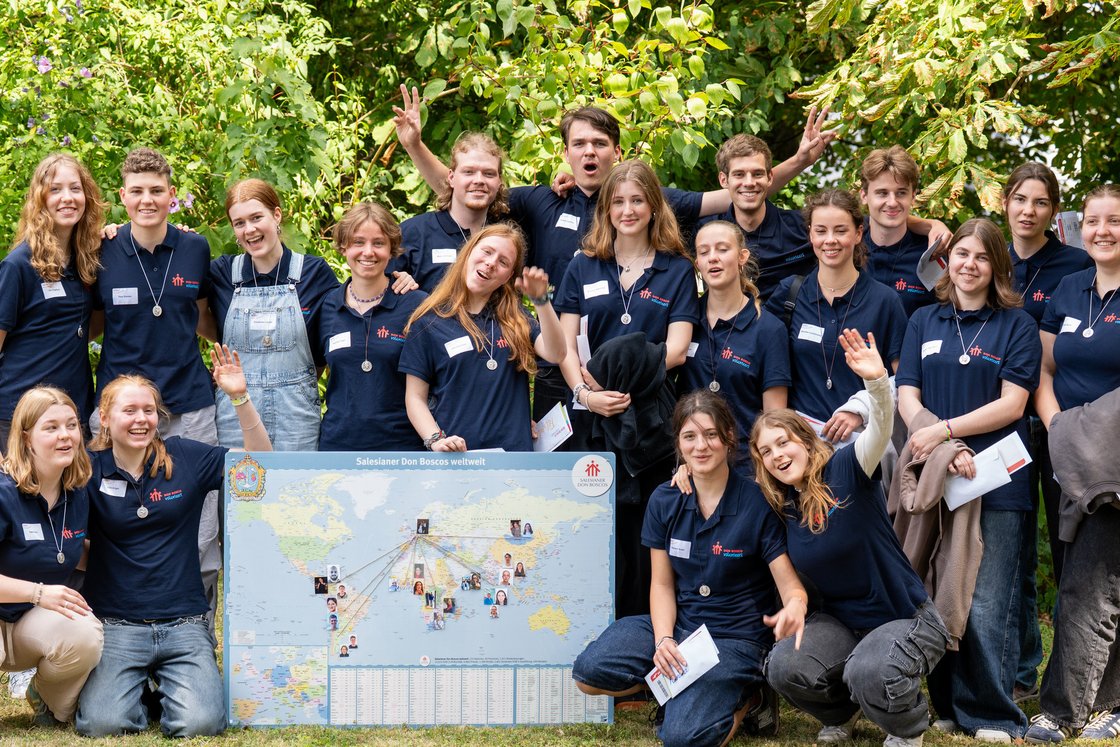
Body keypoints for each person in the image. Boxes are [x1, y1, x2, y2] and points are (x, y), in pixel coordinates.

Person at [574, 390, 807, 747]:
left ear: (729, 437)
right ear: (679, 444)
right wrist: (664, 640)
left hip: (736, 639)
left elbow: (790, 586)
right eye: (690, 436)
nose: (701, 446)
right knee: (588, 672)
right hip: (682, 626)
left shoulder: (757, 502)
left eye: (711, 434)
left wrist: (795, 605)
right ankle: (679, 690)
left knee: (683, 739)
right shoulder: (664, 500)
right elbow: (662, 585)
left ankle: (750, 696)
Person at [756, 328, 950, 747]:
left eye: (783, 442)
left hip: (904, 617)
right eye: (766, 452)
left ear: (806, 441)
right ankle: (843, 713)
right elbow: (724, 490)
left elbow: (880, 428)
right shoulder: (782, 506)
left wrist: (877, 382)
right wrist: (687, 472)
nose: (777, 455)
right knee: (783, 665)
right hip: (842, 626)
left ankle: (907, 726)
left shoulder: (848, 469)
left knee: (869, 670)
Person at [75, 347, 273, 738]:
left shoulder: (184, 456)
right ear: (105, 418)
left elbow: (260, 461)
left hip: (183, 623)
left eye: (148, 410)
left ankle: (160, 688)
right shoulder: (88, 469)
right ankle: (144, 693)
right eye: (129, 410)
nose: (141, 419)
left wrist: (239, 397)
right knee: (102, 724)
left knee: (201, 723)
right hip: (117, 626)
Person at [895, 218, 1041, 741]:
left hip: (996, 479)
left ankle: (993, 713)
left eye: (982, 257)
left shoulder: (1017, 325)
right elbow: (906, 395)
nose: (969, 265)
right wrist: (942, 446)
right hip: (940, 477)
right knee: (938, 589)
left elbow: (1013, 404)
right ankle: (949, 704)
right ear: (947, 260)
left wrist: (947, 433)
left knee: (988, 599)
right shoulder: (923, 319)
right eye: (961, 254)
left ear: (997, 265)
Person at [554, 159, 700, 618]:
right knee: (595, 528)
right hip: (592, 417)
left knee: (645, 534)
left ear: (654, 206)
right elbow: (564, 346)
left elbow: (677, 350)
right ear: (606, 209)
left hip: (651, 420)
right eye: (618, 201)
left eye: (637, 200)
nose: (628, 210)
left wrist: (625, 384)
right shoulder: (582, 265)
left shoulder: (677, 269)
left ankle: (645, 633)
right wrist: (586, 395)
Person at [91, 147, 224, 627]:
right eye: (137, 192)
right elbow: (90, 323)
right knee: (112, 519)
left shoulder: (195, 248)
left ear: (172, 195)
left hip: (189, 404)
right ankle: (116, 629)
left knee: (202, 527)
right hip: (120, 409)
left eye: (156, 191)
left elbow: (205, 318)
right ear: (122, 197)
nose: (147, 200)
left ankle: (196, 632)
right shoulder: (101, 249)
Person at [1024, 185, 1120, 743]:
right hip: (1068, 454)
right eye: (1093, 221)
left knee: (1091, 581)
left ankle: (1062, 711)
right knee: (1086, 577)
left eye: (1115, 220)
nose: (1103, 231)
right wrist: (1059, 430)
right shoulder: (1069, 288)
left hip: (1115, 458)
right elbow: (1044, 369)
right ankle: (1109, 701)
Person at [1001, 162, 1093, 702]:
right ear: (1005, 204)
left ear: (1054, 211)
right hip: (1003, 421)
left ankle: (1073, 669)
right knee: (1013, 550)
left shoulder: (1076, 264)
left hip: (1061, 421)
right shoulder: (992, 259)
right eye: (1020, 199)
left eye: (1040, 202)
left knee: (1068, 547)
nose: (1028, 211)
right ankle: (1021, 672)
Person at [400, 223, 565, 451]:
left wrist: (542, 301)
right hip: (458, 457)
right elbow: (415, 398)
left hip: (514, 458)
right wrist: (436, 440)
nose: (491, 263)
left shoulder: (517, 318)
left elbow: (556, 354)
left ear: (508, 276)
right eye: (487, 251)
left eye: (503, 262)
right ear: (469, 252)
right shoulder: (428, 322)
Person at [765, 189, 907, 445]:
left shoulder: (885, 301)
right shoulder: (790, 293)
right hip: (802, 445)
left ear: (858, 233)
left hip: (862, 444)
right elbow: (765, 361)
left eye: (840, 231)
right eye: (821, 231)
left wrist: (859, 410)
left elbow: (905, 382)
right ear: (810, 234)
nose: (830, 240)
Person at [208, 178, 340, 450]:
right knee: (240, 478)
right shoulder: (222, 274)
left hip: (297, 417)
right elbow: (187, 309)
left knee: (297, 479)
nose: (250, 230)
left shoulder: (314, 274)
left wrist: (400, 279)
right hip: (236, 413)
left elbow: (333, 334)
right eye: (239, 223)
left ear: (277, 215)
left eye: (257, 217)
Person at [0, 387, 103, 725]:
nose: (65, 436)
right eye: (51, 427)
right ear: (26, 438)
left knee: (84, 633)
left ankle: (46, 699)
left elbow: (69, 551)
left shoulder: (77, 494)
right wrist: (38, 593)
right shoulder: (4, 492)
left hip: (29, 624)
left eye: (71, 425)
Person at [0, 154, 104, 446]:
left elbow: (89, 326)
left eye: (75, 188)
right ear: (40, 199)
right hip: (20, 416)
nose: (67, 198)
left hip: (72, 413)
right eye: (55, 189)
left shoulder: (86, 261)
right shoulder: (19, 265)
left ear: (87, 197)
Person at [681, 220, 789, 471]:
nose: (713, 258)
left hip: (746, 468)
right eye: (704, 252)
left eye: (722, 249)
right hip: (693, 464)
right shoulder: (685, 321)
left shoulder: (769, 329)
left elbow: (773, 419)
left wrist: (763, 475)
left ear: (742, 257)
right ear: (697, 263)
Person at [318, 202, 427, 451]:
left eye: (378, 243)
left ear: (391, 249)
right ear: (343, 247)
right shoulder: (327, 306)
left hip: (402, 449)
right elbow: (311, 372)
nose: (368, 252)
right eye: (358, 242)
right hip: (338, 448)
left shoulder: (416, 305)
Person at [391, 133, 509, 292]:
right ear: (451, 178)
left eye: (489, 173)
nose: (479, 180)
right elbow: (376, 293)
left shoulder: (505, 241)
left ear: (499, 181)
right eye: (469, 172)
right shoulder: (412, 233)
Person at [860, 146, 940, 316]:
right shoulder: (846, 245)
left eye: (901, 193)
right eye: (882, 193)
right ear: (864, 196)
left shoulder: (931, 254)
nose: (892, 202)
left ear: (913, 196)